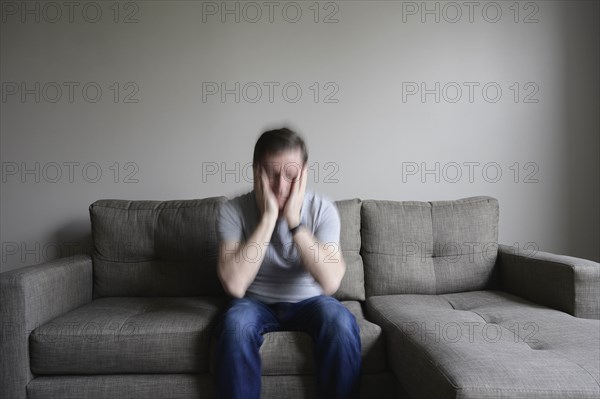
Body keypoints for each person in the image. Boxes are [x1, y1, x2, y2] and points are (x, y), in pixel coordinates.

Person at [213, 127, 362, 399]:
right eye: (271, 174)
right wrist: (269, 218)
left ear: (304, 174)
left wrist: (294, 222)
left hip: (311, 302)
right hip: (254, 302)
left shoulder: (323, 209)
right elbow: (234, 285)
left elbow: (330, 282)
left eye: (291, 176)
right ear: (256, 171)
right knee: (234, 325)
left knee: (341, 323)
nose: (281, 187)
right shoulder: (233, 210)